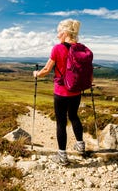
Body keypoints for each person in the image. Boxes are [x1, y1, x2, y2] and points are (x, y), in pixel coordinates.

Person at [33, 18, 86, 165]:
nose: (57, 35)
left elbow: (46, 69)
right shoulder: (82, 48)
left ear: (65, 32)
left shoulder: (58, 48)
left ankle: (62, 156)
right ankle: (81, 146)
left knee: (61, 122)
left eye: (58, 32)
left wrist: (36, 74)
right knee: (74, 117)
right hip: (76, 91)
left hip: (61, 92)